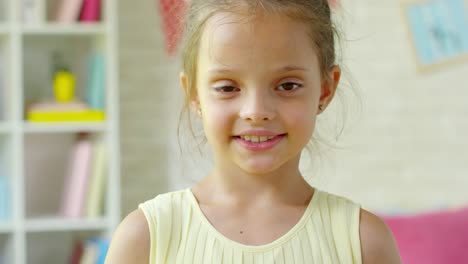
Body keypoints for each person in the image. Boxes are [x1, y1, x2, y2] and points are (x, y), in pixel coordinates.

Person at [106, 0, 401, 263]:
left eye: (287, 85)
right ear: (194, 94)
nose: (256, 111)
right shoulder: (146, 238)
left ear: (325, 89)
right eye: (227, 87)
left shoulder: (363, 243)